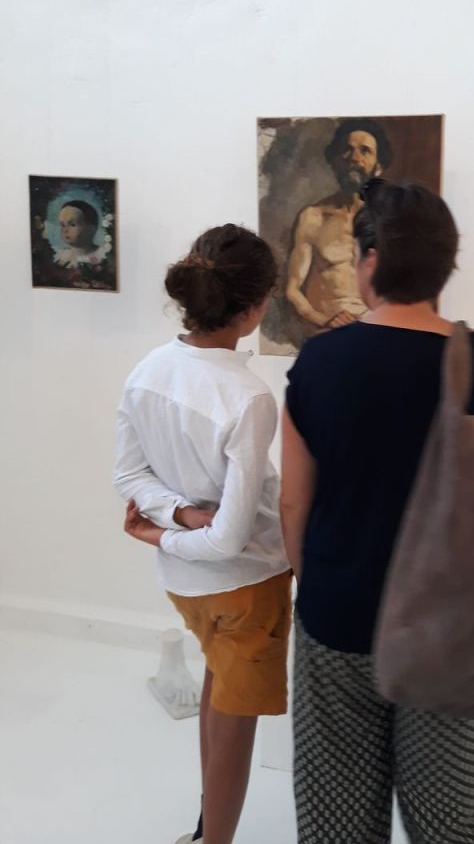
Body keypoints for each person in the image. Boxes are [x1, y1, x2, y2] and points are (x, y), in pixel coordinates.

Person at [280, 179, 474, 843]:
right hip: (449, 628)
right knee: (450, 822)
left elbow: (293, 501)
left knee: (337, 821)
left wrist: (320, 587)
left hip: (338, 618)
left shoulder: (320, 361)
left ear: (370, 260)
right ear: (444, 266)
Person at [113, 224, 291, 844]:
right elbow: (228, 540)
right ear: (255, 306)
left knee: (218, 699)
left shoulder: (148, 370)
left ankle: (204, 830)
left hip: (187, 586)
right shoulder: (249, 397)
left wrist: (173, 519)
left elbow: (129, 476)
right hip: (247, 585)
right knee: (234, 726)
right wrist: (178, 528)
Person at [285, 118, 393, 331]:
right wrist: (325, 321)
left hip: (374, 333)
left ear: (378, 167)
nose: (354, 157)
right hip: (323, 333)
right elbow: (293, 290)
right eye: (347, 149)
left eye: (365, 151)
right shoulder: (312, 217)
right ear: (334, 160)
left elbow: (400, 292)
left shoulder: (388, 222)